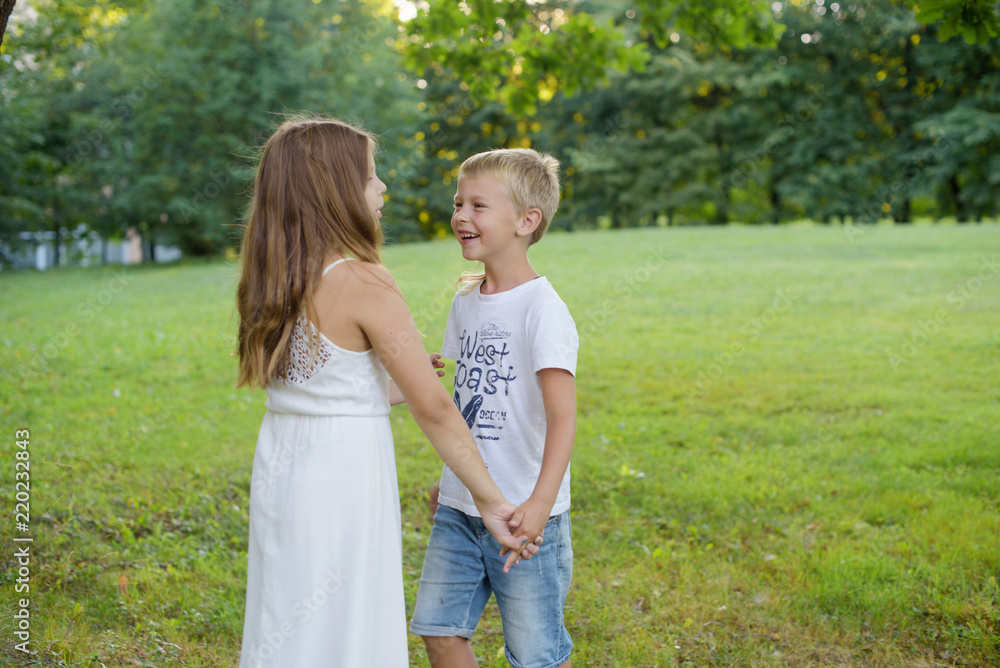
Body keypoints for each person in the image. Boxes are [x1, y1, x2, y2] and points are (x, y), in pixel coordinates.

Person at [234, 118, 537, 668]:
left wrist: (377, 384)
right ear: (336, 189)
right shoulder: (364, 279)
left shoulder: (276, 273)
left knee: (290, 617)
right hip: (341, 476)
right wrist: (492, 501)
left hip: (282, 467)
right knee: (347, 623)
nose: (382, 190)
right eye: (371, 177)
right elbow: (437, 409)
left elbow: (319, 389)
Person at [410, 148, 579, 668]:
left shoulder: (543, 310)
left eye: (478, 205)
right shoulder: (465, 302)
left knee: (535, 655)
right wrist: (454, 476)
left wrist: (539, 504)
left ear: (527, 221)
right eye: (458, 203)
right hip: (461, 508)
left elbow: (563, 418)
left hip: (528, 517)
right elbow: (465, 401)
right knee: (438, 631)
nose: (461, 215)